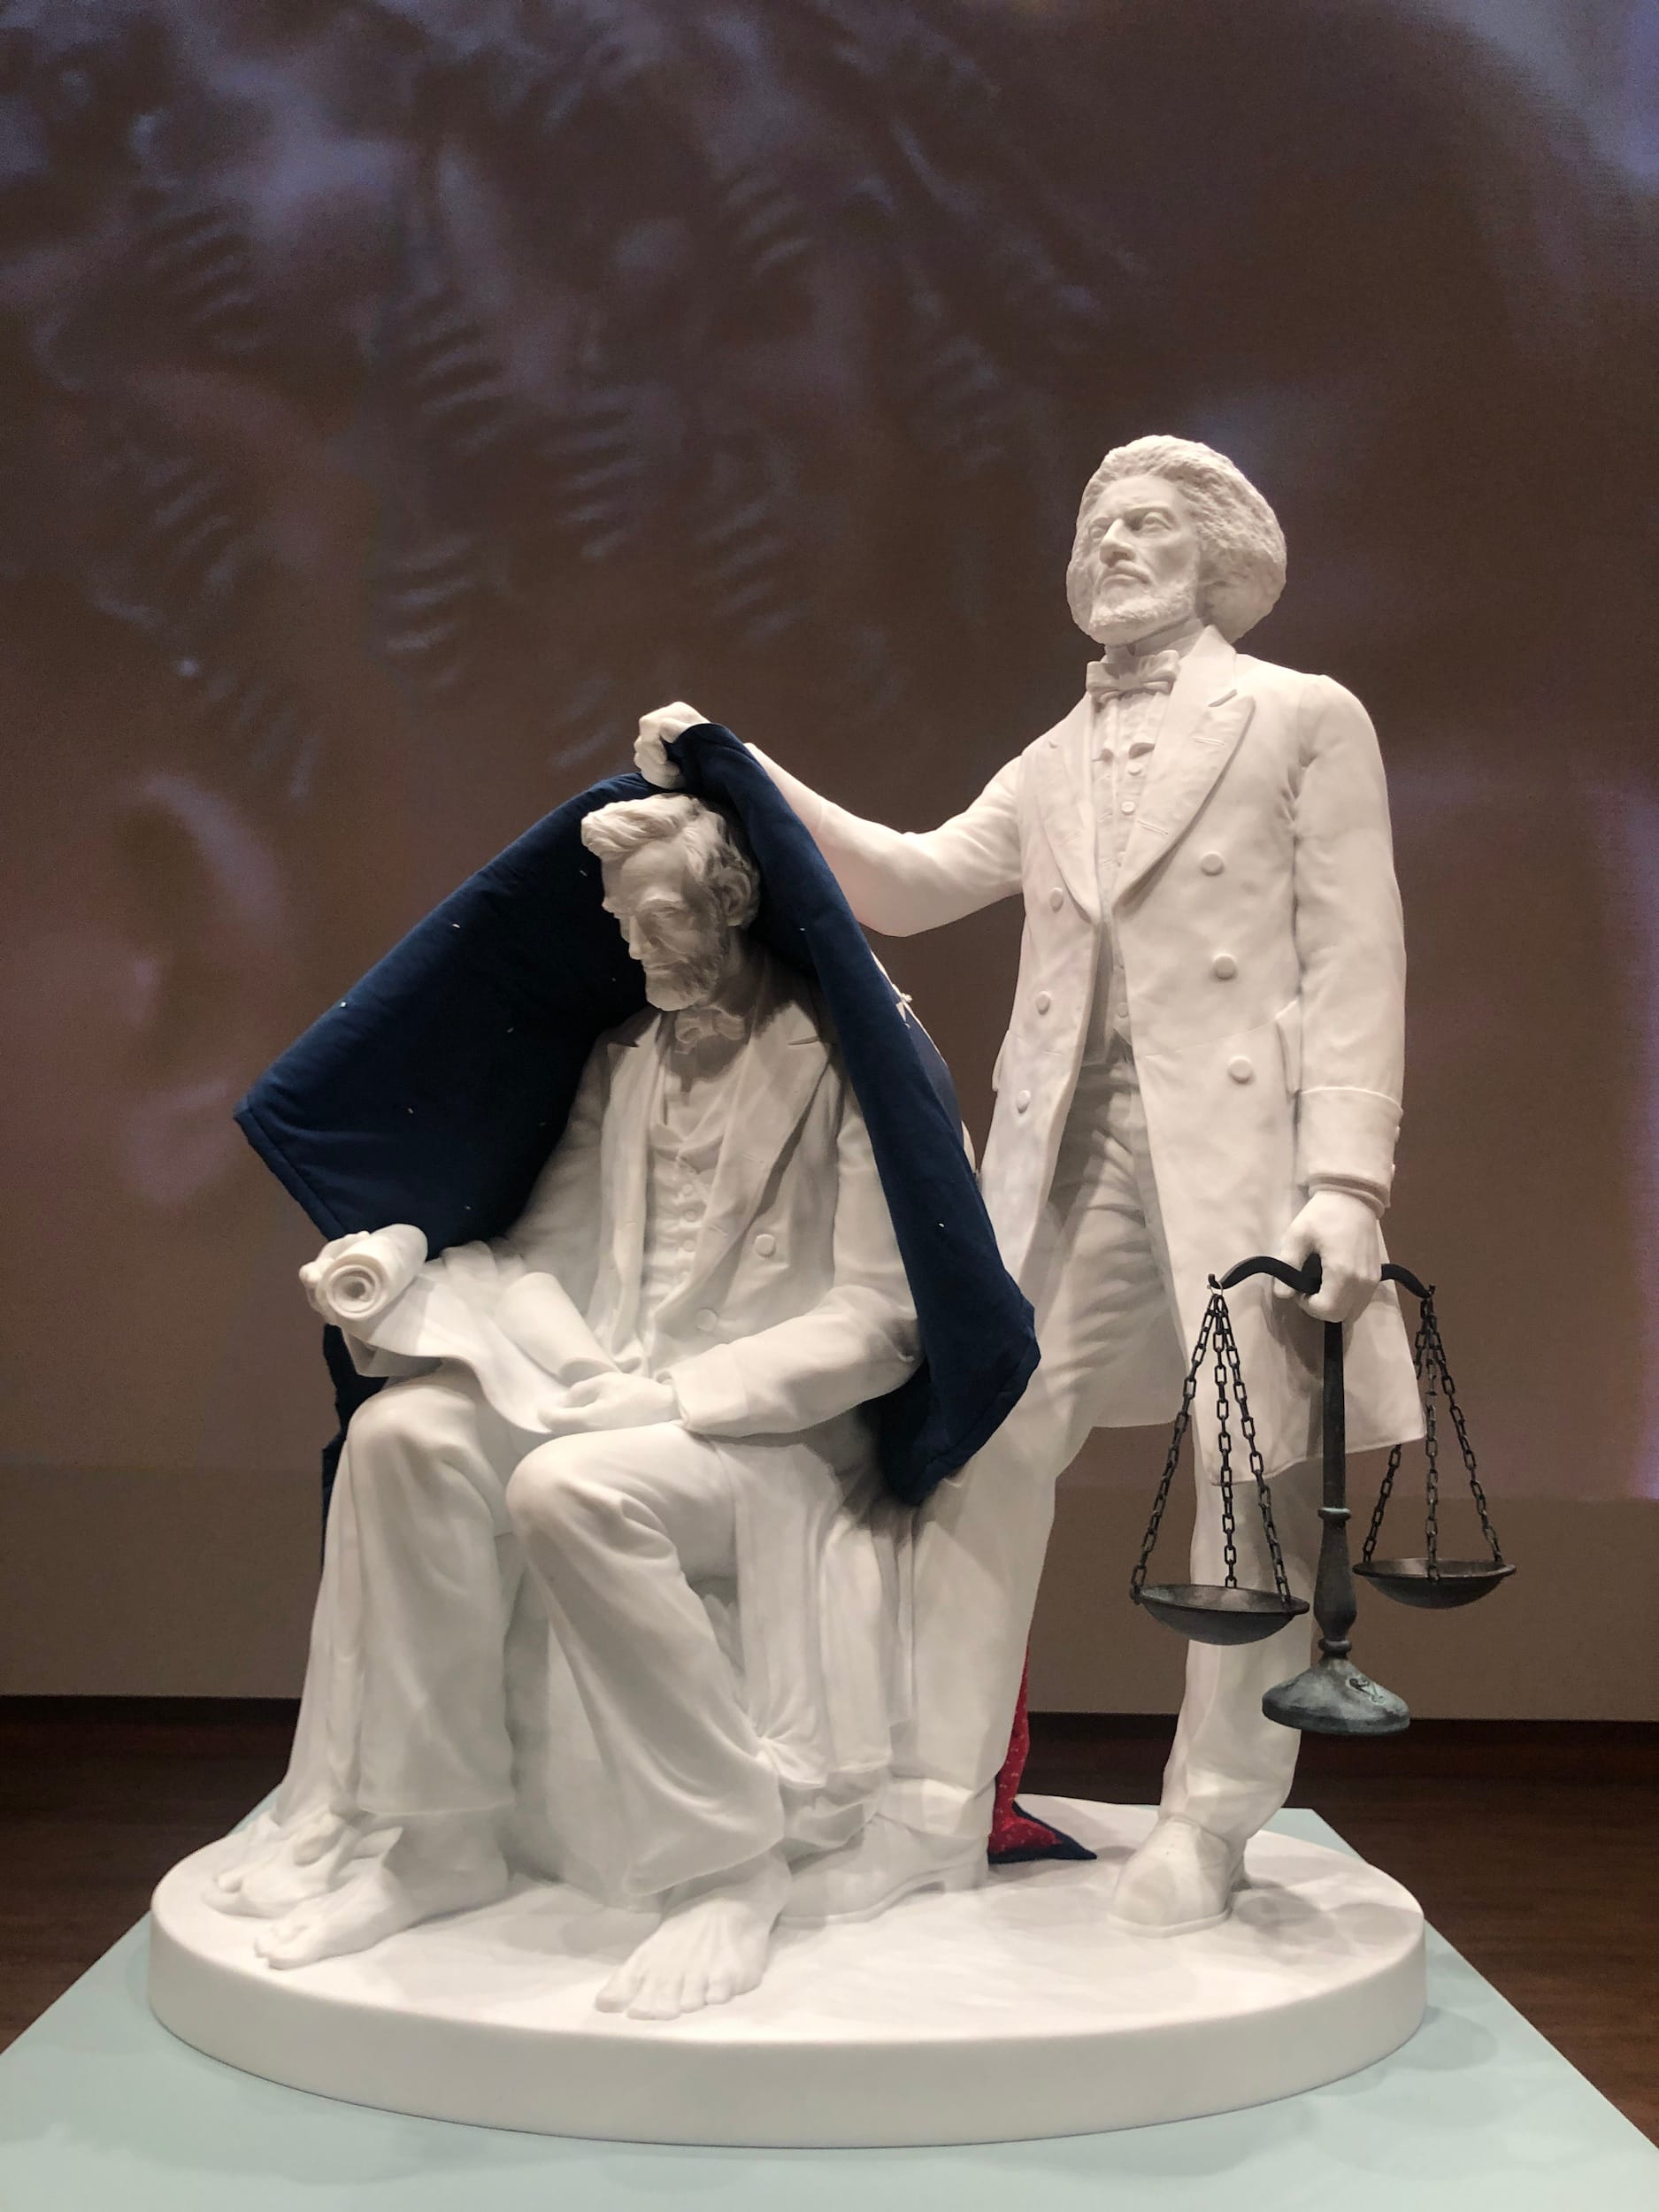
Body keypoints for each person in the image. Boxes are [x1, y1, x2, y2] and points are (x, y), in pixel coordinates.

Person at [636, 435, 1423, 1932]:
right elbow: (911, 878)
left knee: (1244, 1475)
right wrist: (741, 769)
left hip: (1243, 1155)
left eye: (1147, 524)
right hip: (1072, 1150)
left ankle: (1214, 1819)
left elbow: (1357, 956)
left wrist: (1349, 1180)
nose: (1111, 544)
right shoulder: (1059, 757)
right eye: (1096, 525)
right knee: (986, 1452)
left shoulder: (1301, 717)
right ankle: (932, 1811)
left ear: (1213, 562)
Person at [215, 792, 926, 2020]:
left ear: (731, 903)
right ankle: (443, 1838)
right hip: (614, 1387)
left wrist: (674, 1396)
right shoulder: (627, 1060)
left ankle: (727, 1864)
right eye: (620, 923)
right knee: (402, 1436)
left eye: (657, 920)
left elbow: (885, 1317)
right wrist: (464, 1307)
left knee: (571, 1490)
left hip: (762, 1432)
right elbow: (545, 1254)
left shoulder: (855, 1058)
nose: (633, 946)